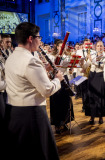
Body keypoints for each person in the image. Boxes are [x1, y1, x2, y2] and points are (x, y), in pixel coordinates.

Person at [4, 22, 63, 160]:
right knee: (39, 152)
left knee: (22, 152)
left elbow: (25, 81)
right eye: (39, 37)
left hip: (15, 112)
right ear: (31, 38)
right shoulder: (31, 60)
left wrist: (43, 71)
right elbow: (47, 90)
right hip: (32, 114)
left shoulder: (11, 57)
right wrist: (58, 79)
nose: (40, 40)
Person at [49, 40, 75, 134]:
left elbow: (69, 69)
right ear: (57, 47)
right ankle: (56, 124)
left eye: (64, 47)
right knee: (56, 101)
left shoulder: (67, 57)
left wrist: (71, 67)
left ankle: (64, 122)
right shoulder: (51, 56)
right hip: (56, 79)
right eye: (60, 46)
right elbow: (50, 69)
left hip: (65, 78)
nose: (62, 48)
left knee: (65, 101)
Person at [86, 41, 105, 124]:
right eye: (98, 46)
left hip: (100, 76)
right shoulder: (92, 55)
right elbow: (86, 65)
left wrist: (92, 61)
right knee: (91, 96)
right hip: (92, 76)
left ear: (103, 47)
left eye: (101, 46)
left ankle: (100, 116)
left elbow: (103, 65)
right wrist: (82, 63)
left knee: (100, 97)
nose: (99, 48)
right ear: (95, 48)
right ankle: (92, 117)